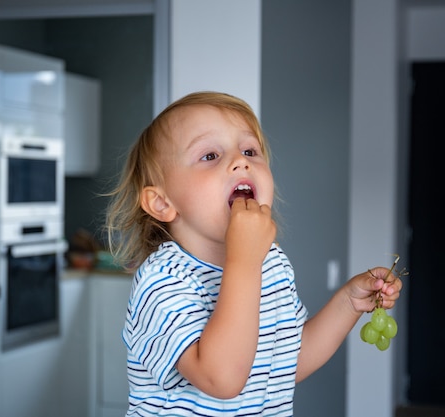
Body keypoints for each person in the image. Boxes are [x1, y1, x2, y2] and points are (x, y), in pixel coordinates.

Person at [105, 91, 403, 416]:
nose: (241, 160)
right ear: (162, 203)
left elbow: (288, 363)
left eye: (249, 150)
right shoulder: (162, 281)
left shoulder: (271, 262)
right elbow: (221, 379)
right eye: (210, 156)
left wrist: (348, 302)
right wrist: (244, 261)